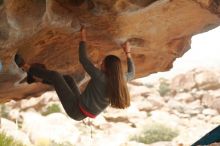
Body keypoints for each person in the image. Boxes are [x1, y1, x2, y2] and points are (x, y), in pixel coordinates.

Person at [14, 26, 135, 121]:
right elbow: (132, 73)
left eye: (103, 63)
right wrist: (127, 52)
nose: (101, 63)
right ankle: (38, 79)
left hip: (76, 110)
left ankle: (27, 68)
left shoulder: (100, 77)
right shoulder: (121, 80)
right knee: (69, 80)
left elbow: (83, 59)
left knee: (56, 76)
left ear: (108, 68)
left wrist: (83, 37)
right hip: (81, 105)